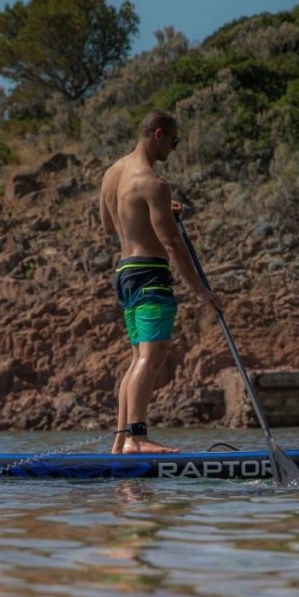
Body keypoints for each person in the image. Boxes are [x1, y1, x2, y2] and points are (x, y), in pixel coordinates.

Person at [99, 110, 221, 454]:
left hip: (124, 273)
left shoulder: (112, 174)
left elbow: (110, 227)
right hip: (151, 274)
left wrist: (163, 210)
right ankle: (137, 438)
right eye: (174, 140)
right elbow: (171, 244)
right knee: (150, 357)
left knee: (138, 356)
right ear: (158, 134)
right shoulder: (154, 183)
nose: (174, 147)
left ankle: (121, 441)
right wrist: (202, 292)